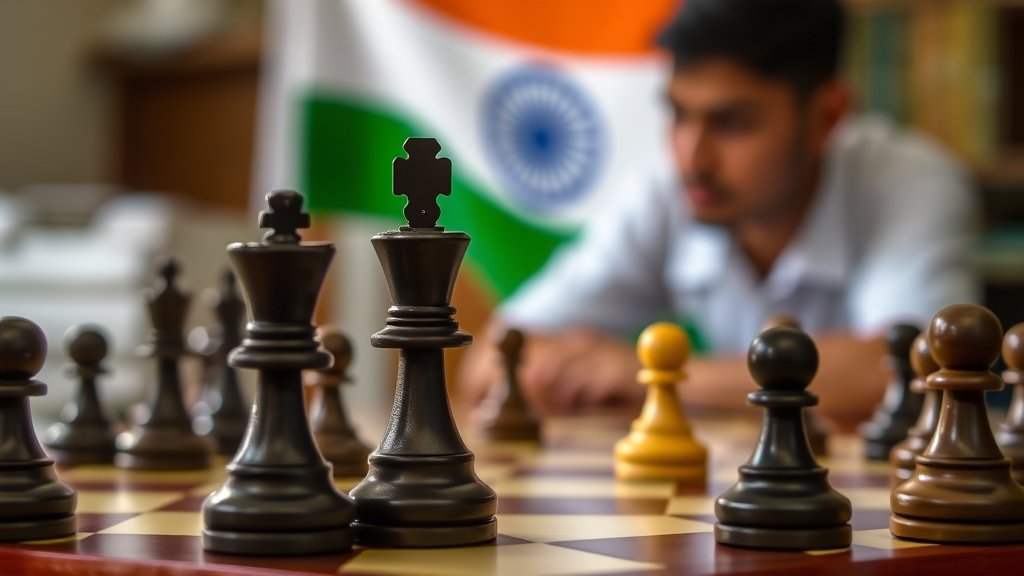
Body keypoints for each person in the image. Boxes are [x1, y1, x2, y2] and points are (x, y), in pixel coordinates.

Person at [458, 0, 978, 429]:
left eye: (731, 122)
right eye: (678, 114)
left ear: (827, 117)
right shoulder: (669, 191)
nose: (692, 157)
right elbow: (489, 362)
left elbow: (910, 373)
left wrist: (648, 374)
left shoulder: (914, 183)